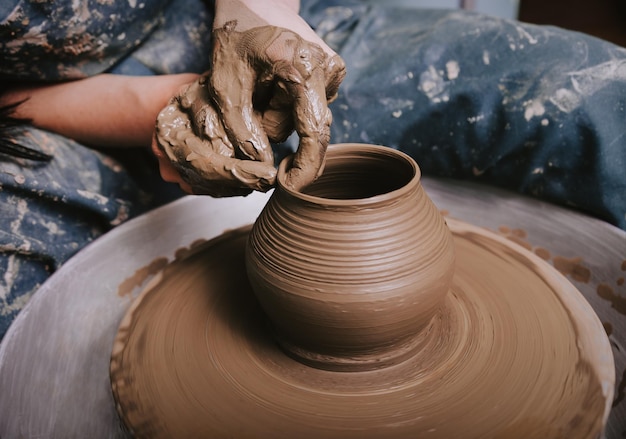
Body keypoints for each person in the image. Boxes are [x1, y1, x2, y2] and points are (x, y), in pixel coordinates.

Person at [0, 0, 624, 340]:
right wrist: (147, 107)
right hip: (48, 112)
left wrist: (255, 18)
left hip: (258, 22)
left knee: (596, 98)